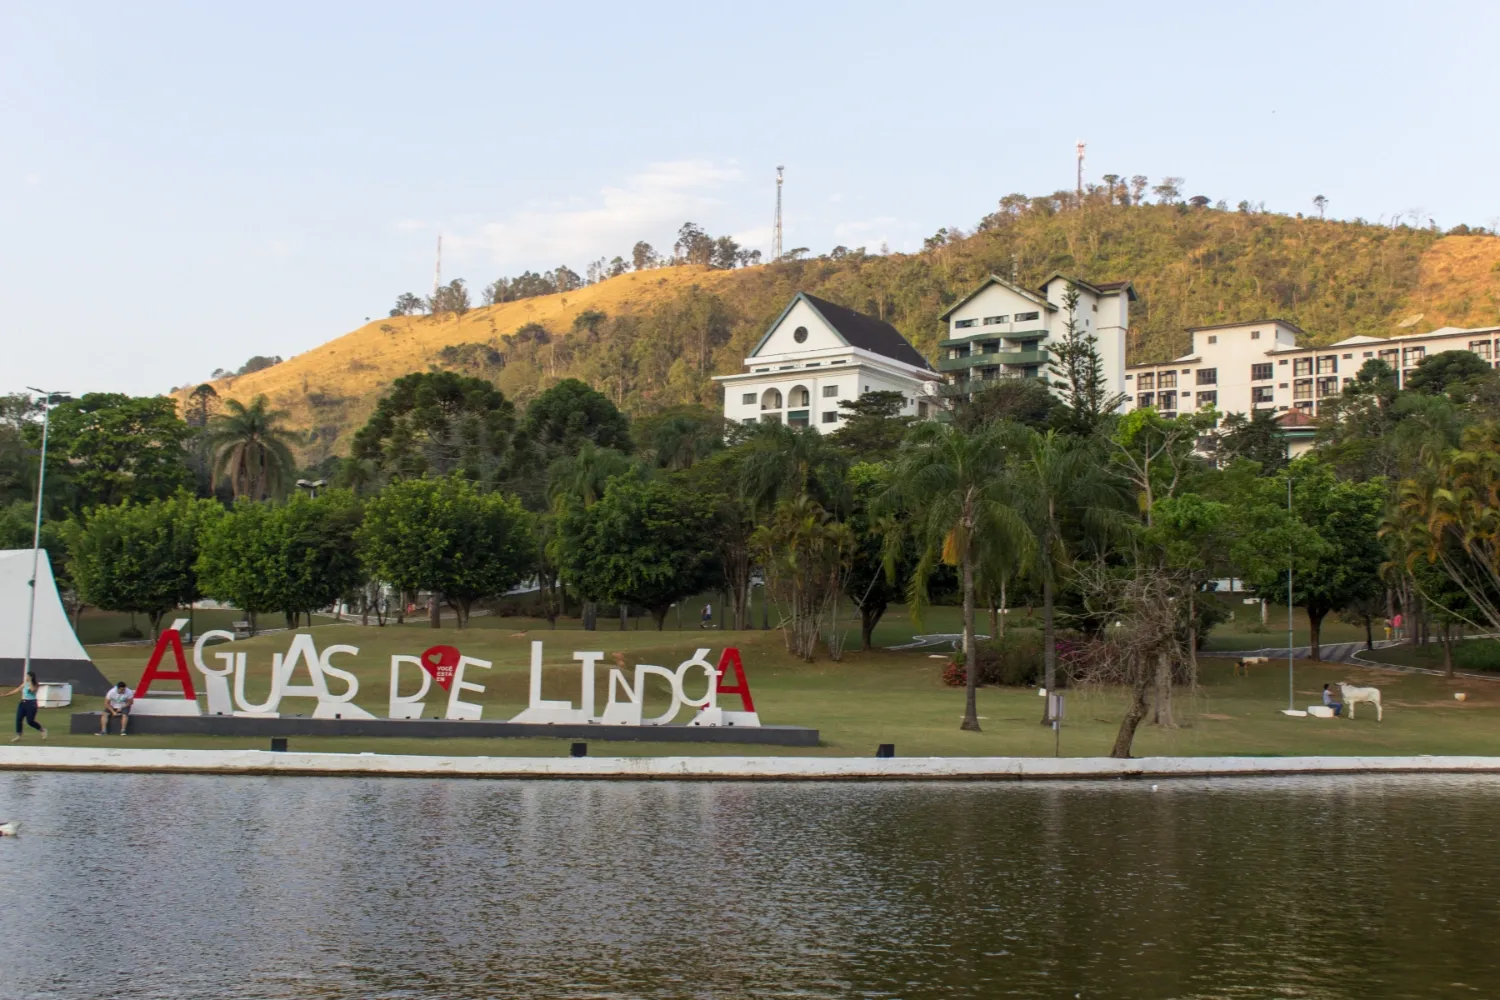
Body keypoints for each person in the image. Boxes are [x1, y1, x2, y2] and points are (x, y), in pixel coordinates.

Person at [4, 672, 47, 743]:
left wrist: (30, 681)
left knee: (30, 721)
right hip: (23, 703)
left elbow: (33, 690)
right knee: (18, 719)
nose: (26, 677)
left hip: (31, 703)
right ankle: (18, 735)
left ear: (31, 677)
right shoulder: (25, 684)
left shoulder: (36, 684)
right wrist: (6, 694)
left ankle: (42, 729)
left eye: (27, 676)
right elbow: (17, 690)